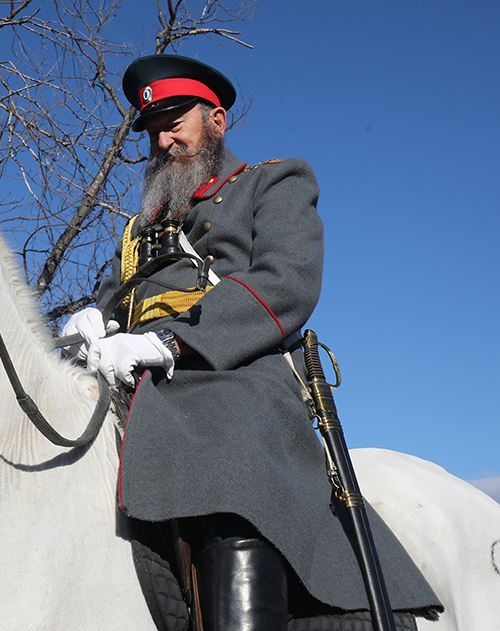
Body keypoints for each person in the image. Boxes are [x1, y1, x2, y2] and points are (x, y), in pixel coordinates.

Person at [62, 54, 437, 630]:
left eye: (174, 122)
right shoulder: (140, 229)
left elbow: (285, 283)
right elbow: (114, 299)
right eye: (152, 130)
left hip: (231, 374)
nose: (162, 140)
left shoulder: (272, 182)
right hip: (133, 379)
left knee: (228, 462)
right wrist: (91, 319)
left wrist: (169, 342)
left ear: (216, 120)